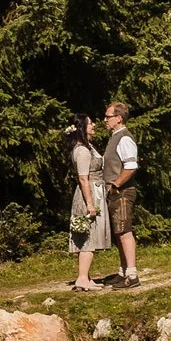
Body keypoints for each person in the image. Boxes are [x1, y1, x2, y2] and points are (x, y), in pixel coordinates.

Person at [66, 114, 108, 292]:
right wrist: (90, 203)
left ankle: (86, 277)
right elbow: (83, 178)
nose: (94, 125)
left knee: (92, 234)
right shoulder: (82, 150)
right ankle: (82, 278)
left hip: (95, 191)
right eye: (90, 123)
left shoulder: (88, 147)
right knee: (87, 236)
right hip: (88, 194)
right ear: (82, 127)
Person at [100, 100, 140, 287]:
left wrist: (116, 184)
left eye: (108, 117)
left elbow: (131, 166)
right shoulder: (115, 137)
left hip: (122, 192)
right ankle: (123, 271)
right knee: (119, 232)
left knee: (124, 231)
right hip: (115, 192)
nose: (105, 120)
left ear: (118, 118)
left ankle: (132, 275)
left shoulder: (124, 138)